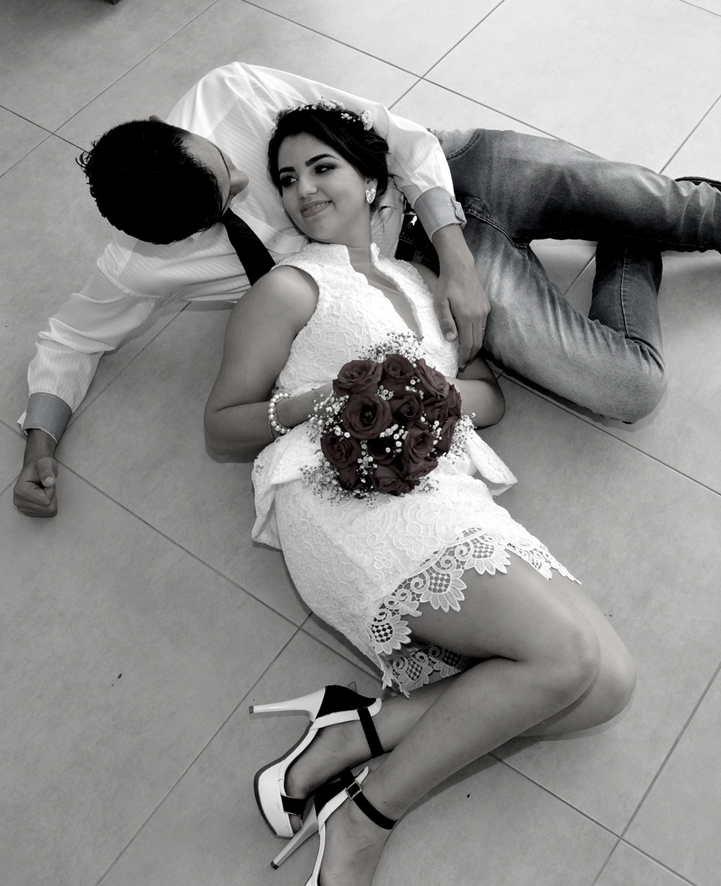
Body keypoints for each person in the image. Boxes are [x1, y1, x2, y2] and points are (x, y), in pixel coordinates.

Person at [14, 62, 721, 518]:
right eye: (229, 205)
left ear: (183, 133)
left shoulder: (231, 90)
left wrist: (458, 252)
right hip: (413, 274)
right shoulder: (141, 262)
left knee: (700, 214)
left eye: (230, 172)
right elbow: (70, 340)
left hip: (453, 178)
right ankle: (631, 234)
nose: (253, 191)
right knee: (626, 386)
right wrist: (40, 446)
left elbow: (400, 139)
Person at [204, 103, 636, 886]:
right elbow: (223, 424)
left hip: (443, 488)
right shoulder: (290, 287)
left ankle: (353, 733)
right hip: (342, 498)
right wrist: (334, 396)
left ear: (374, 181)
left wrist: (419, 393)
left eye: (322, 167)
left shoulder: (423, 280)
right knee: (566, 657)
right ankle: (364, 819)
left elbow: (488, 399)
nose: (303, 189)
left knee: (605, 687)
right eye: (287, 179)